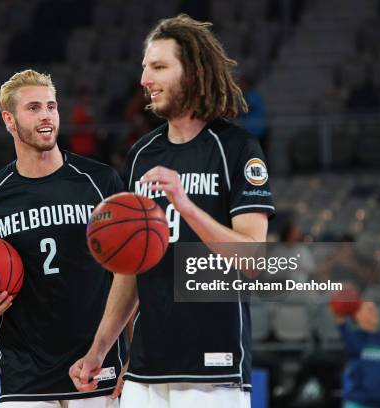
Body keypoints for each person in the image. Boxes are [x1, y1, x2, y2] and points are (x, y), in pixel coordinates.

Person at [70, 15, 275, 407]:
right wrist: (99, 350)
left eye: (159, 66)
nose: (145, 78)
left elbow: (253, 260)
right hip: (145, 370)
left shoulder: (237, 149)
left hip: (214, 370)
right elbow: (128, 270)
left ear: (194, 74)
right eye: (145, 67)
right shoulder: (142, 154)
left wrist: (185, 205)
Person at [0, 69, 126, 407]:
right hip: (25, 378)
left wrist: (136, 359)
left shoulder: (100, 182)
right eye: (33, 108)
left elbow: (127, 275)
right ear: (9, 119)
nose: (46, 115)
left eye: (51, 106)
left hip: (95, 370)